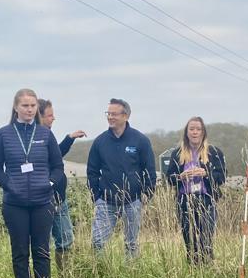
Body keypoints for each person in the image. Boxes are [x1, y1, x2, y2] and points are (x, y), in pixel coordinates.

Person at [0, 90, 65, 278]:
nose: (29, 109)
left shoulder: (45, 134)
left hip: (43, 202)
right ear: (16, 108)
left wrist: (49, 183)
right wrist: (9, 185)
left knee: (41, 250)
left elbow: (58, 166)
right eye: (25, 106)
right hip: (15, 204)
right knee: (20, 251)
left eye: (32, 105)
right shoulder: (3, 134)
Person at [87, 98, 156, 258]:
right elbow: (92, 171)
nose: (110, 117)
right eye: (108, 113)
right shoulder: (100, 142)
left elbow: (150, 171)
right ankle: (101, 274)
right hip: (106, 201)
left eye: (114, 114)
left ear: (125, 116)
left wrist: (146, 195)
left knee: (131, 244)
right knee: (98, 243)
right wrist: (96, 197)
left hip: (133, 201)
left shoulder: (140, 140)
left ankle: (131, 276)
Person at [165, 117, 226, 264]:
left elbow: (222, 176)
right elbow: (169, 178)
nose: (195, 132)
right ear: (186, 132)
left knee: (206, 239)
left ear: (203, 132)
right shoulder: (177, 153)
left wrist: (206, 174)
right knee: (190, 240)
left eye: (198, 129)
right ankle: (193, 269)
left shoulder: (214, 152)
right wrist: (181, 176)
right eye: (191, 129)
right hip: (184, 200)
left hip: (206, 199)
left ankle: (207, 268)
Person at [37, 98, 86, 270]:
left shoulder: (48, 135)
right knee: (43, 243)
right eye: (49, 115)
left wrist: (69, 138)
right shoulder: (34, 139)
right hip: (43, 200)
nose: (53, 118)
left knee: (66, 240)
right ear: (40, 116)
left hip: (60, 199)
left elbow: (56, 155)